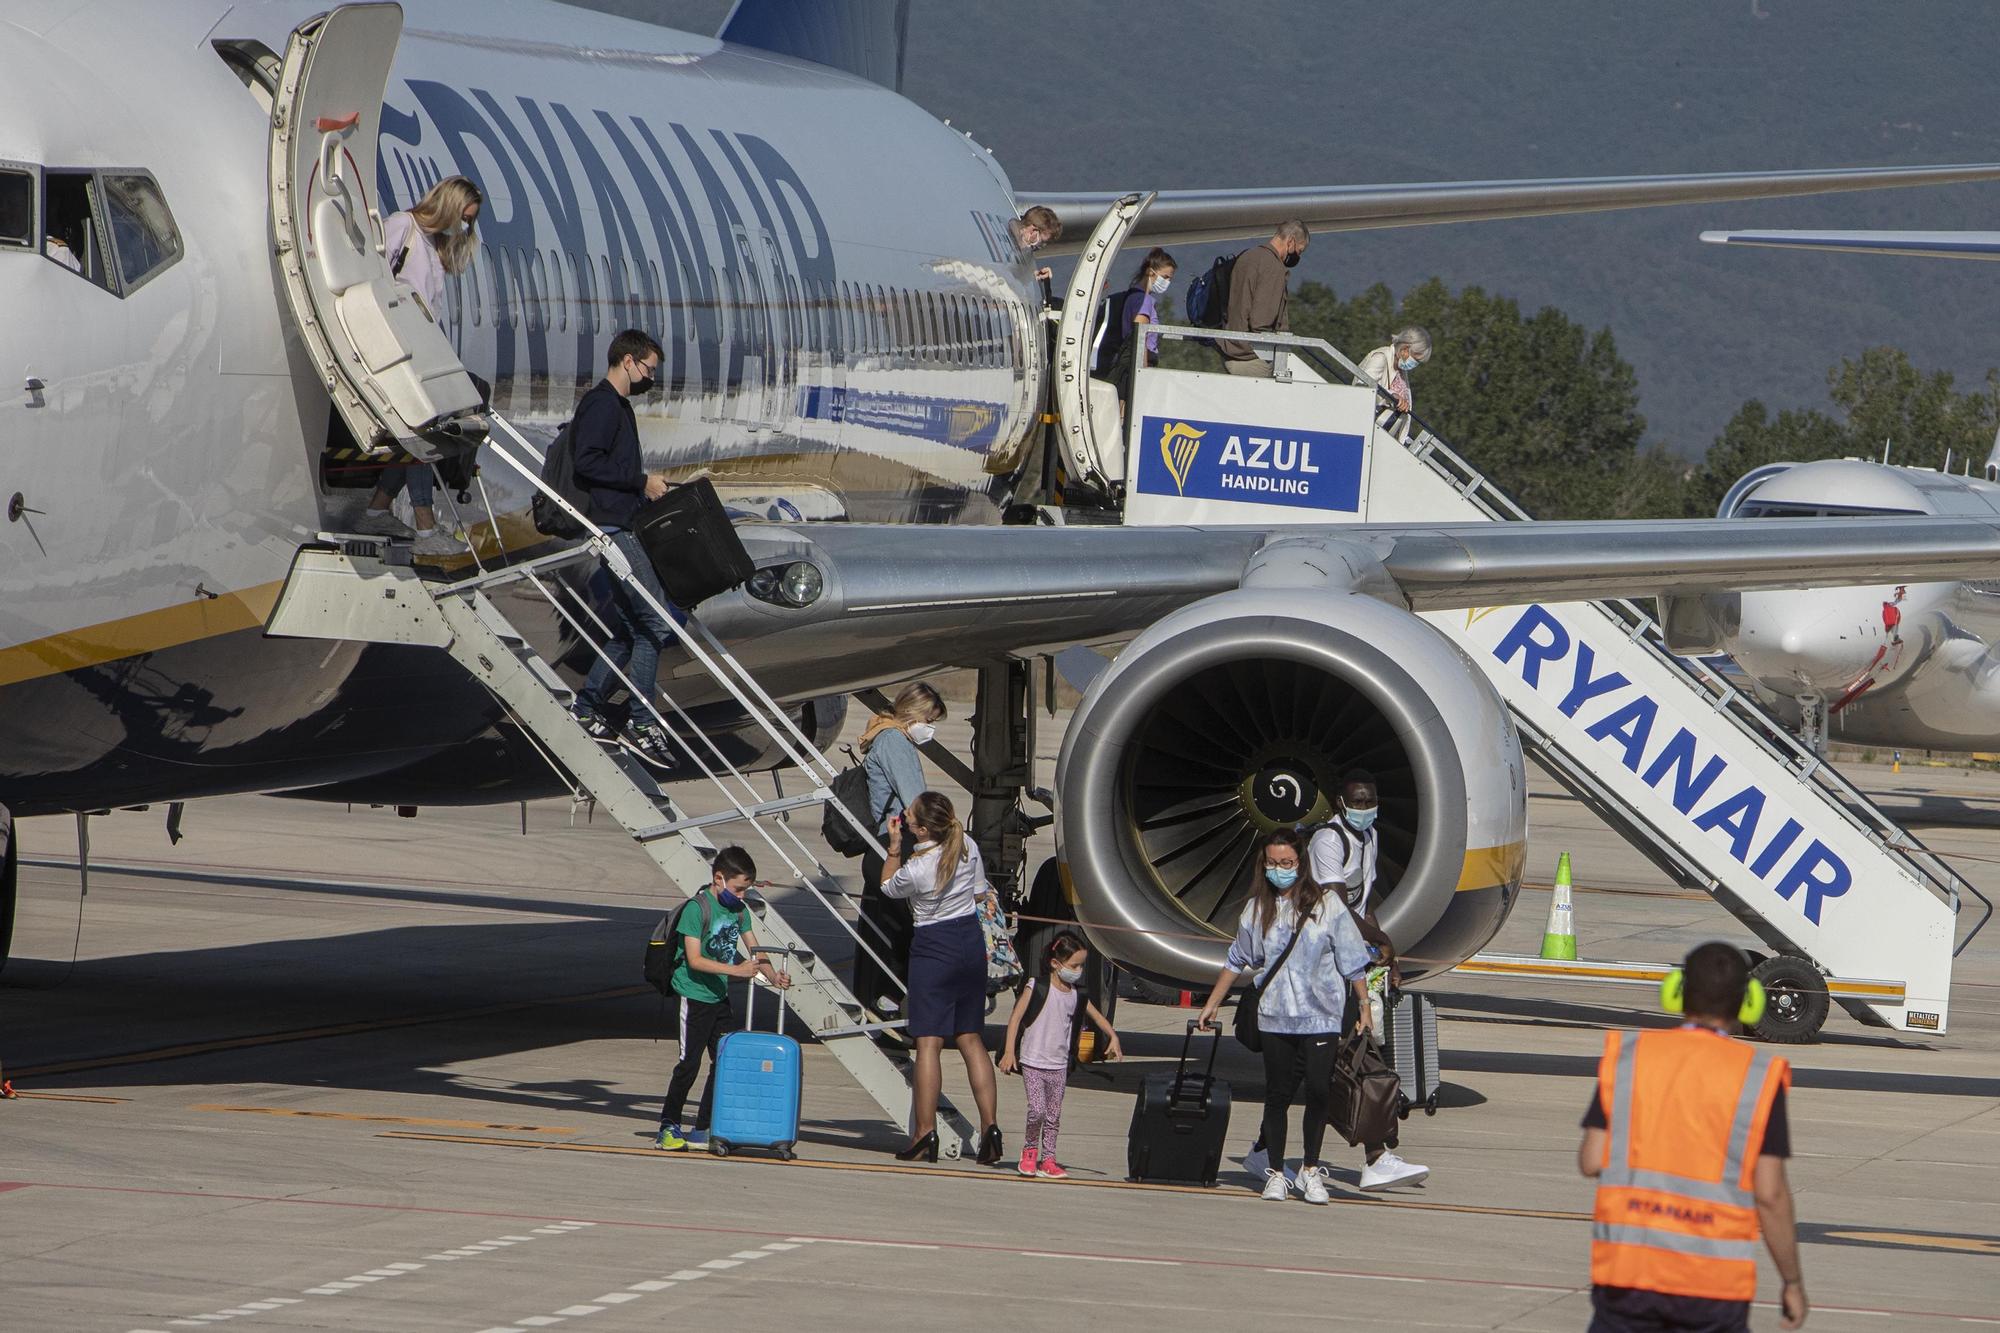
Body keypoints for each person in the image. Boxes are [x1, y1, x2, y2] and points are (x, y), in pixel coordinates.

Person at [1578, 942, 1806, 1332]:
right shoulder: (1757, 1078)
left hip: (1630, 1276)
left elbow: (1591, 1159)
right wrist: (1792, 1281)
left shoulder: (1632, 1057)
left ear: (1677, 992)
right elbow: (1769, 1193)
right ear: (1747, 1003)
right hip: (1712, 1286)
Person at [1196, 828, 1371, 1205]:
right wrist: (1212, 1002)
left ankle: (1310, 1169)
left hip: (1321, 1015)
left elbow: (1353, 960)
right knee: (1276, 1094)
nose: (1280, 870)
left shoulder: (1328, 905)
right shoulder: (1257, 909)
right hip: (1275, 1015)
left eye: (1287, 863)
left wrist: (1365, 1006)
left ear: (1301, 863)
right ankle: (1275, 1171)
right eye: (1273, 863)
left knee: (1319, 1090)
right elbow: (1237, 959)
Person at [1297, 769, 1430, 1190]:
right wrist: (1381, 939)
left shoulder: (1369, 838)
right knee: (1334, 1065)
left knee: (1351, 1058)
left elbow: (1364, 901)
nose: (1362, 808)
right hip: (1316, 965)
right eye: (1355, 801)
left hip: (1346, 962)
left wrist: (1385, 957)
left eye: (1368, 801)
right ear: (1340, 802)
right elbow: (1334, 901)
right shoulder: (1327, 841)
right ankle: (1371, 1155)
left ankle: (1376, 1155)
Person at [567, 329, 679, 770]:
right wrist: (639, 482)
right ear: (628, 361)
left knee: (634, 626)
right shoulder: (601, 405)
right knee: (656, 619)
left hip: (623, 521)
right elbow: (587, 462)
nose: (650, 377)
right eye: (649, 369)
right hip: (611, 527)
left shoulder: (620, 408)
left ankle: (588, 705)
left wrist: (647, 489)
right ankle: (641, 721)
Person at [354, 176, 485, 555]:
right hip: (397, 351)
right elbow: (375, 282)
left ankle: (378, 509)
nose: (464, 226)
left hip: (425, 351)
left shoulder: (434, 242)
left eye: (469, 221)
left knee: (418, 434)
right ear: (447, 205)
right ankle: (425, 525)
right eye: (463, 217)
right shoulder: (402, 227)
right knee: (424, 434)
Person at [882, 790, 1003, 1164]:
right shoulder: (965, 843)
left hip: (935, 947)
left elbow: (887, 886)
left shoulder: (918, 868)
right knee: (971, 1038)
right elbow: (981, 894)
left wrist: (893, 846)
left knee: (929, 1044)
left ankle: (924, 1133)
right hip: (969, 942)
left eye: (910, 816)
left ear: (919, 829)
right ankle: (990, 1129)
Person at [655, 846, 792, 1151]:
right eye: (739, 888)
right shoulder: (697, 909)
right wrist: (737, 970)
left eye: (746, 890)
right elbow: (694, 960)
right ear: (719, 878)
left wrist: (773, 976)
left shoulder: (738, 911)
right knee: (688, 1064)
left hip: (718, 997)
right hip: (694, 995)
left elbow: (755, 951)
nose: (742, 896)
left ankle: (703, 1126)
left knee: (726, 1060)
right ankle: (668, 1125)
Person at [851, 682, 948, 1017]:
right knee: (904, 927)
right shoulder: (895, 740)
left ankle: (880, 996)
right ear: (913, 714)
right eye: (929, 719)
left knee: (883, 925)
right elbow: (915, 800)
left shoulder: (885, 735)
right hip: (895, 843)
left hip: (883, 844)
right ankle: (890, 996)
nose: (930, 728)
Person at [998, 930, 1122, 1179]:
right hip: (1033, 1060)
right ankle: (1030, 1151)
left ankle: (1049, 1159)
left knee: (1054, 1114)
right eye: (1074, 965)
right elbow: (1016, 1018)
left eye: (1081, 966)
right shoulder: (1037, 986)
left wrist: (1113, 1036)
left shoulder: (1077, 994)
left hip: (1059, 1064)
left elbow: (1097, 1016)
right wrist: (1010, 1050)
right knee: (1037, 1110)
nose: (1078, 971)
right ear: (1056, 964)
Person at [1217, 220, 1309, 376]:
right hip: (1252, 356)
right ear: (1291, 241)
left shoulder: (1247, 256)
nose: (1297, 256)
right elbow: (1261, 321)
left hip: (1231, 349)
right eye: (1299, 251)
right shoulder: (1273, 266)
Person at [1094, 247, 1175, 402]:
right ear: (1151, 272)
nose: (1167, 283)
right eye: (1165, 277)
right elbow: (1139, 336)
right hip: (1138, 361)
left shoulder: (1130, 296)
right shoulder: (1144, 301)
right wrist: (1142, 372)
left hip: (1124, 362)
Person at [1355, 326, 1433, 441]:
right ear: (1405, 349)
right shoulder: (1380, 357)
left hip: (1385, 436)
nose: (1415, 364)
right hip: (1367, 432)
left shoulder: (1401, 371)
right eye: (1416, 360)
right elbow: (1362, 389)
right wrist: (1391, 396)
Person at [1008, 204, 1063, 282]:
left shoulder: (1024, 250)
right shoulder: (1017, 242)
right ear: (1032, 230)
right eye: (1042, 242)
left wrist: (1038, 275)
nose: (1041, 246)